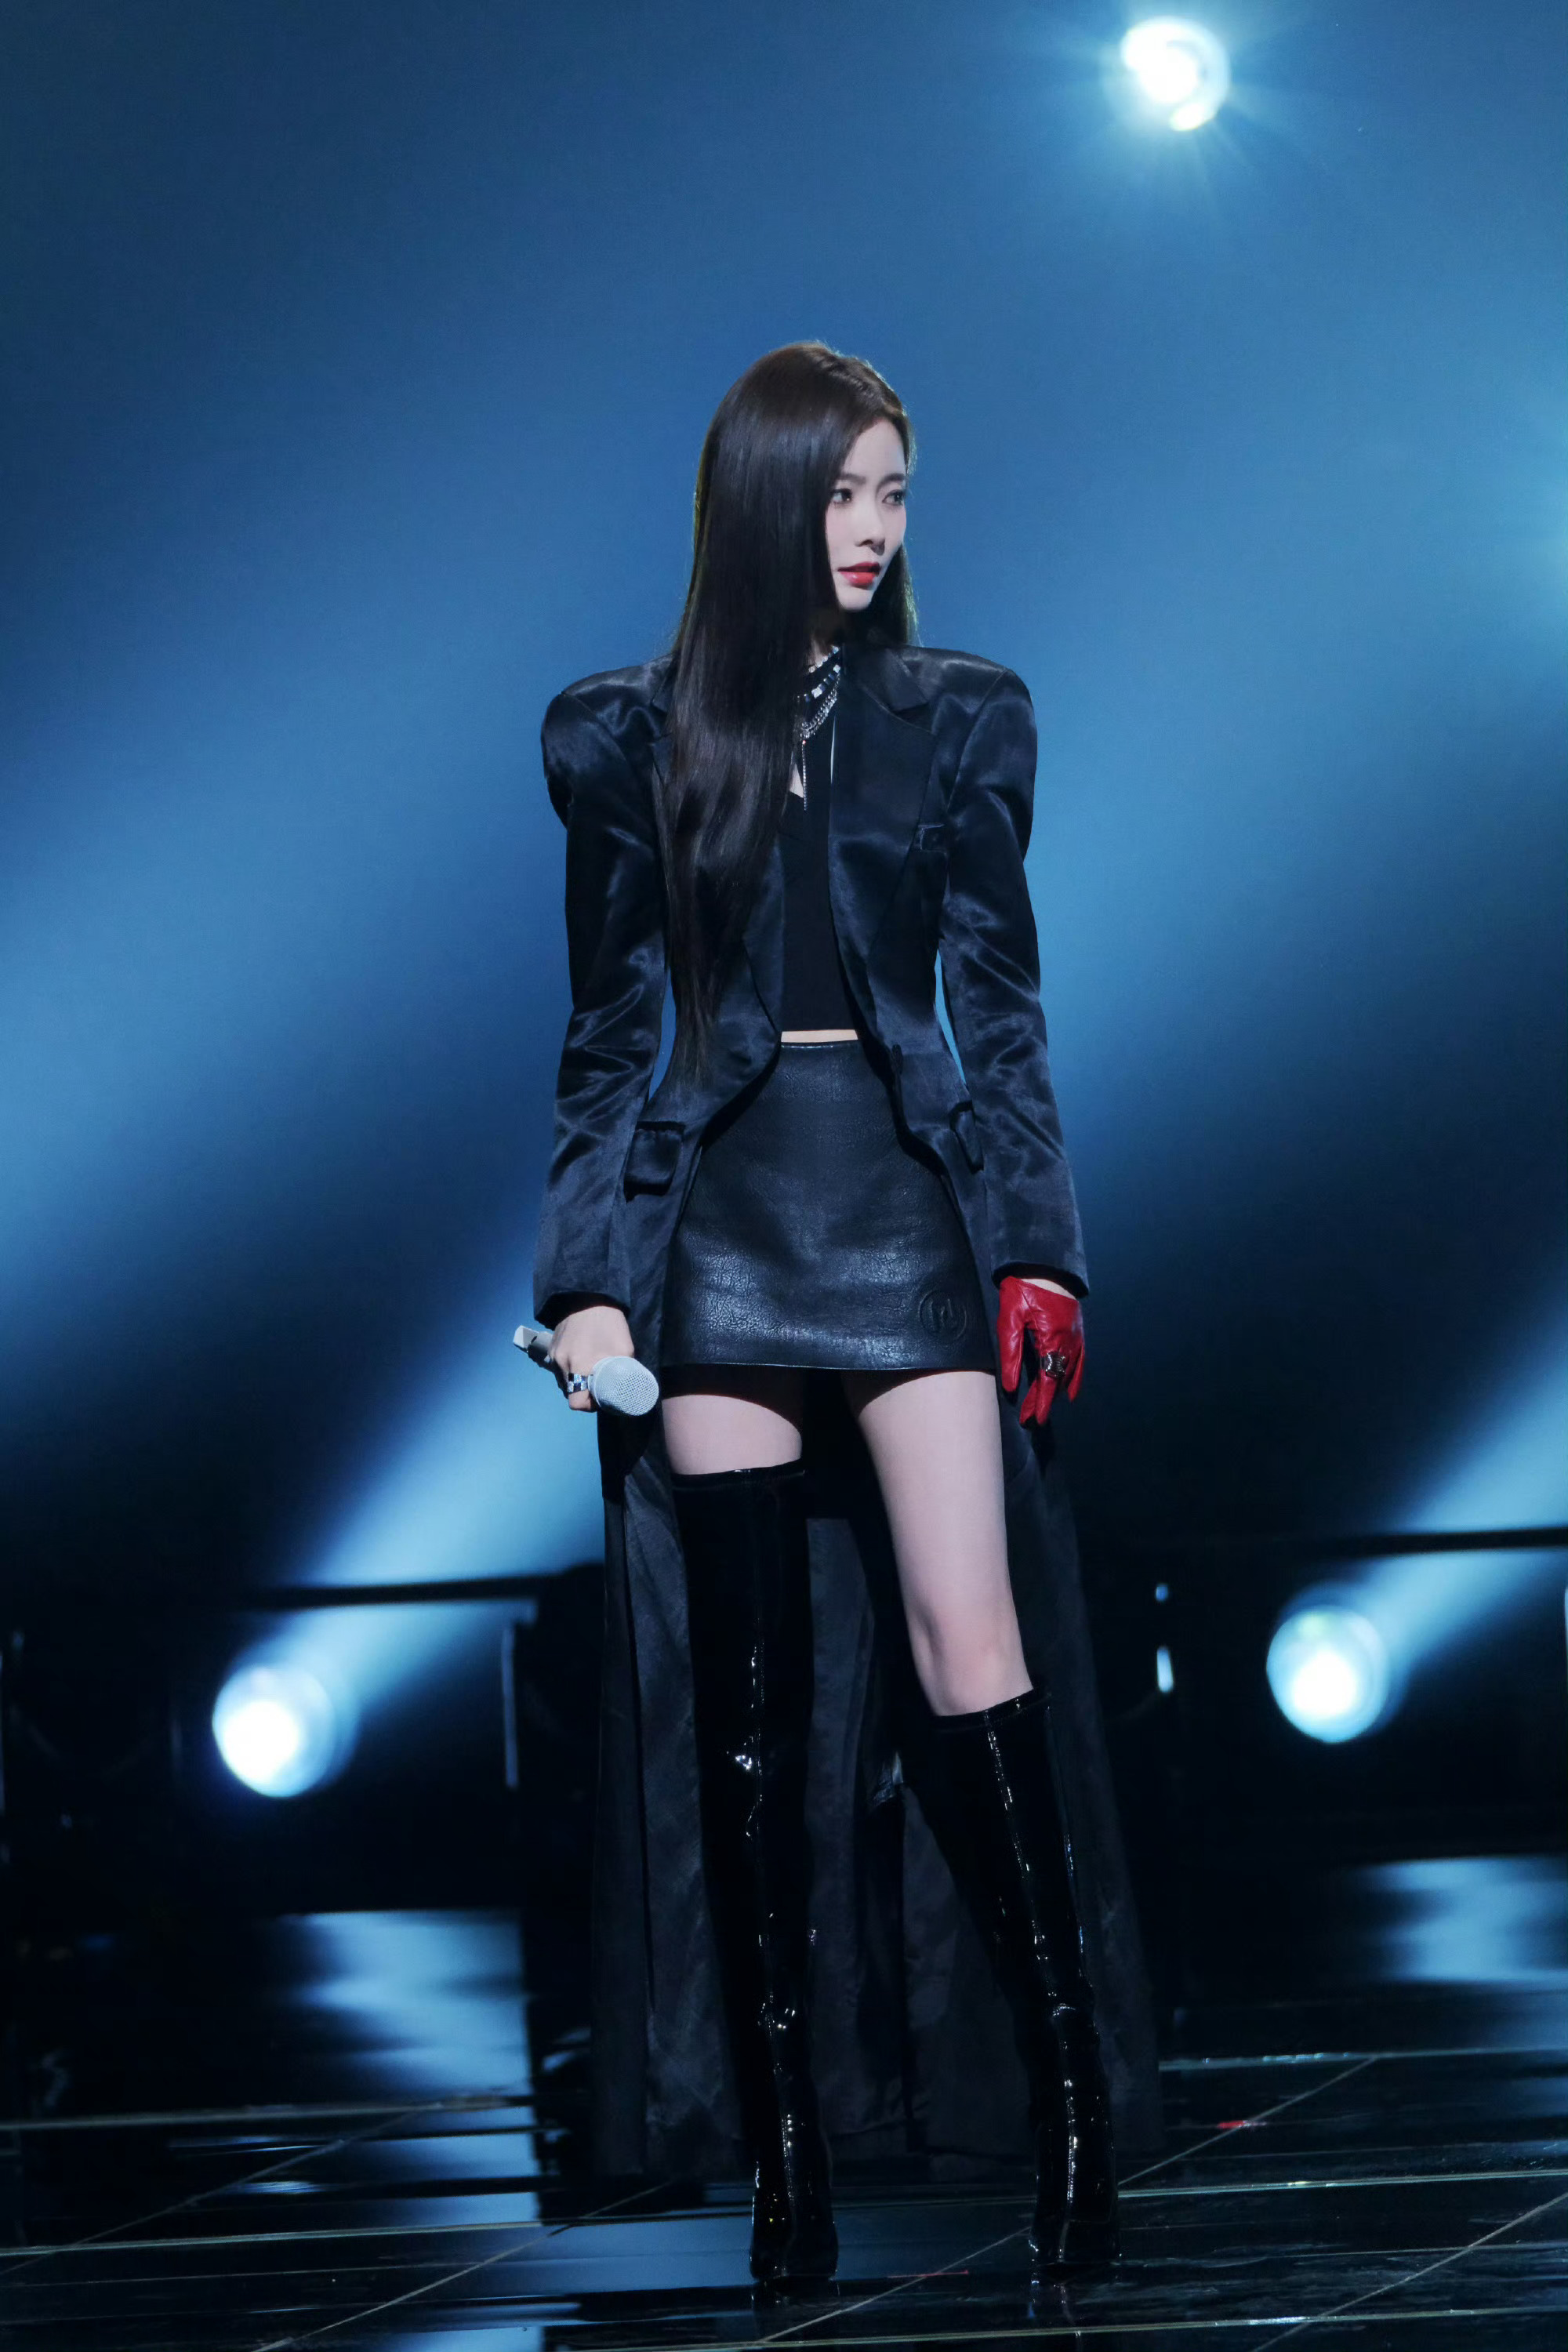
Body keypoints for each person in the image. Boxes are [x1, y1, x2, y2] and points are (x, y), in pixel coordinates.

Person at [532, 343, 1158, 2287]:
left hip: (900, 1206)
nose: (874, 528)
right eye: (841, 492)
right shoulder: (627, 736)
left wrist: (1037, 1248)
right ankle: (784, 2151)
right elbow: (610, 1035)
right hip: (720, 1222)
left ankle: (1069, 2108)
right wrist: (582, 1278)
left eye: (893, 491)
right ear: (763, 499)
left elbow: (1003, 1008)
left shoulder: (957, 718)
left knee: (974, 1652)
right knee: (742, 1708)